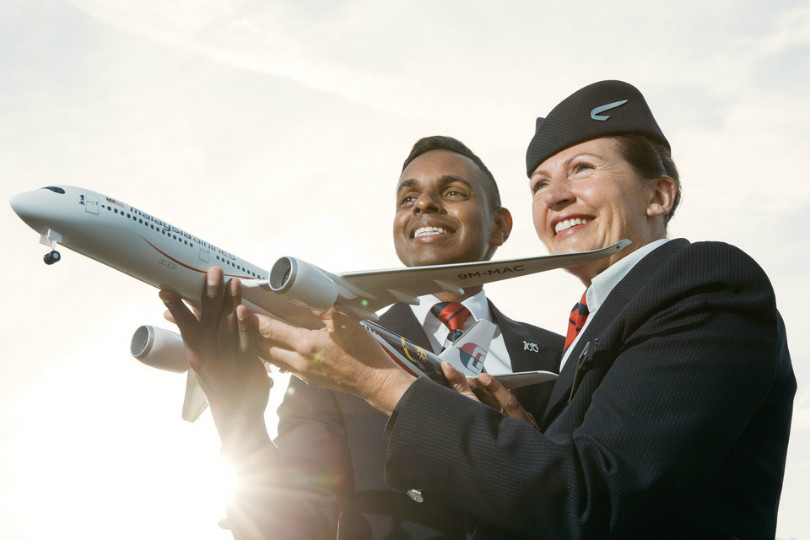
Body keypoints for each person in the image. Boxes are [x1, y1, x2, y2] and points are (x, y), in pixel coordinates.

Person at [246, 81, 796, 539]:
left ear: (659, 195)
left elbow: (589, 497)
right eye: (540, 183)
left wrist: (377, 379)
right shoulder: (593, 327)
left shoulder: (703, 284)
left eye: (581, 168)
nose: (554, 196)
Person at [160, 135, 563, 539]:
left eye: (453, 192)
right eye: (407, 199)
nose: (423, 205)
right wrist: (237, 416)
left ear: (499, 225)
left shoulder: (560, 355)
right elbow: (295, 529)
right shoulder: (325, 355)